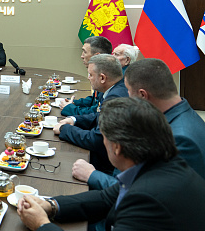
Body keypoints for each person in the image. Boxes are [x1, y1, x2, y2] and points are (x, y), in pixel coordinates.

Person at [18, 97, 205, 231]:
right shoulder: (158, 164)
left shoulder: (147, 201)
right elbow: (105, 198)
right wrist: (51, 205)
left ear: (116, 147)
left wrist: (42, 224)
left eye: (104, 138)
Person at [72, 58, 205, 189]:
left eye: (128, 92)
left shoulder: (180, 139)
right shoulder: (176, 114)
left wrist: (92, 175)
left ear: (142, 95)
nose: (127, 97)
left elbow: (151, 192)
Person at [54, 54, 127, 173]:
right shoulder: (116, 89)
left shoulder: (115, 98)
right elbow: (99, 115)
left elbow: (97, 139)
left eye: (91, 75)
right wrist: (74, 120)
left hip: (107, 167)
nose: (88, 78)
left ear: (102, 78)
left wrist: (65, 129)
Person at [59, 35, 113, 116]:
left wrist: (69, 108)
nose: (82, 56)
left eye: (84, 52)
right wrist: (73, 102)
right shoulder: (100, 72)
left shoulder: (106, 77)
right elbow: (94, 101)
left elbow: (95, 112)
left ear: (96, 56)